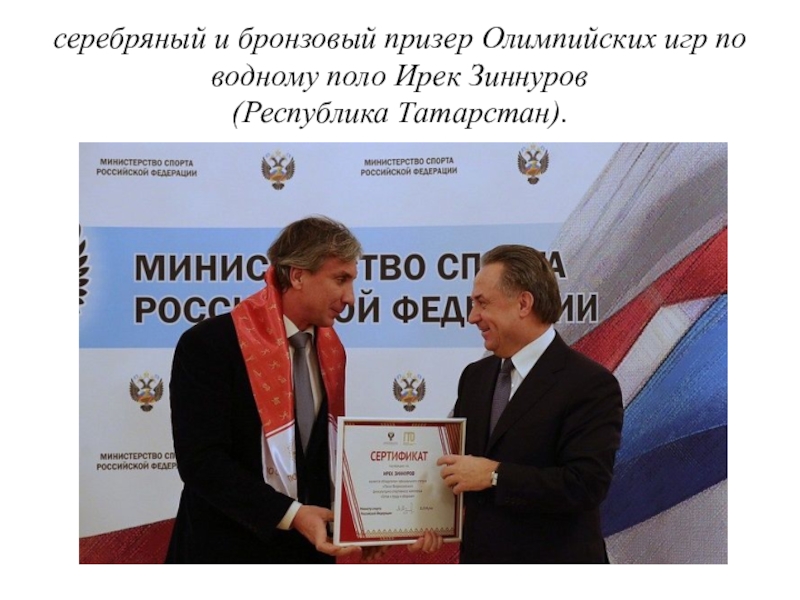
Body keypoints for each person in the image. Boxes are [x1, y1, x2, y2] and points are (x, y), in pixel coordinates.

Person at [166, 216, 442, 563]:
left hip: (308, 555)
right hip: (226, 552)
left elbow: (321, 458)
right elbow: (202, 463)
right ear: (297, 276)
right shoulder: (210, 344)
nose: (350, 298)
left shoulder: (331, 351)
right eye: (340, 279)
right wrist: (292, 515)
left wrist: (362, 525)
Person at [437, 245, 623, 563]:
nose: (473, 317)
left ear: (523, 303)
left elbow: (585, 485)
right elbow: (461, 469)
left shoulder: (591, 384)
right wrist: (430, 520)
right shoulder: (475, 377)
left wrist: (496, 475)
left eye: (482, 303)